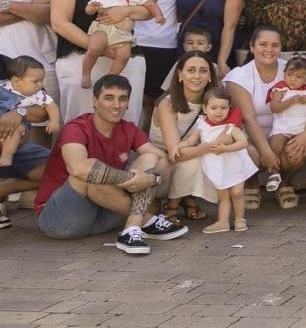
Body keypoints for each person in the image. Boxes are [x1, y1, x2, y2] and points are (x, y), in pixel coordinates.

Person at [34, 75, 187, 254]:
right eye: (109, 98)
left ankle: (132, 229)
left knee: (150, 158)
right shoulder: (76, 128)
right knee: (89, 171)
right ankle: (147, 220)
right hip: (61, 218)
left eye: (122, 99)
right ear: (95, 101)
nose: (116, 105)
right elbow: (77, 168)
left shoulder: (128, 128)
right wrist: (132, 179)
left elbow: (161, 159)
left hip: (105, 213)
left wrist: (152, 178)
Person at [224, 25, 306, 209]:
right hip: (251, 136)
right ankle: (251, 183)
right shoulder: (239, 75)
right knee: (252, 153)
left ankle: (285, 182)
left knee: (296, 151)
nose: (269, 50)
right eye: (263, 44)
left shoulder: (294, 68)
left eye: (275, 45)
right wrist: (265, 151)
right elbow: (249, 118)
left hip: (288, 132)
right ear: (252, 47)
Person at [150, 50, 217, 224]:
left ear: (210, 75)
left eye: (203, 70)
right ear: (180, 74)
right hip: (162, 165)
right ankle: (173, 205)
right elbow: (175, 152)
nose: (197, 76)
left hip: (190, 157)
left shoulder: (214, 103)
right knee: (197, 158)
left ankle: (187, 198)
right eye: (190, 70)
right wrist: (209, 147)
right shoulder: (168, 103)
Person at [181, 85, 257, 234]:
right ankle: (222, 221)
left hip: (234, 165)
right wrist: (179, 145)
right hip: (217, 167)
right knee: (222, 195)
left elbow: (243, 142)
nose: (218, 111)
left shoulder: (230, 127)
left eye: (223, 108)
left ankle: (240, 219)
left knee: (236, 193)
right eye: (214, 108)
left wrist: (225, 149)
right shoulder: (201, 124)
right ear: (205, 108)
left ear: (229, 109)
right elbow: (191, 140)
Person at [80, 0, 164, 90]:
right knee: (95, 47)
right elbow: (87, 11)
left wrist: (159, 15)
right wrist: (93, 7)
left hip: (122, 35)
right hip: (102, 29)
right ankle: (86, 73)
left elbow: (151, 5)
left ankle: (109, 77)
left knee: (124, 54)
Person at [0, 66, 51, 228]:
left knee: (58, 171)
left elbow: (43, 111)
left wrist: (19, 112)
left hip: (15, 143)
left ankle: (2, 190)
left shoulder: (11, 64)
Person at [267, 55, 306, 190]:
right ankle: (274, 173)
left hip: (303, 129)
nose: (292, 79)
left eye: (298, 77)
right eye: (289, 74)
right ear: (284, 73)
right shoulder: (280, 89)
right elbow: (274, 107)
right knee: (274, 145)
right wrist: (290, 101)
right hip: (283, 128)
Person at [0, 56, 59, 167]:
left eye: (41, 81)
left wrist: (54, 122)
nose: (40, 85)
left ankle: (7, 155)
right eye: (35, 81)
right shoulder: (4, 85)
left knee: (13, 133)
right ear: (16, 81)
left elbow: (51, 106)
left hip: (19, 124)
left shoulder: (37, 94)